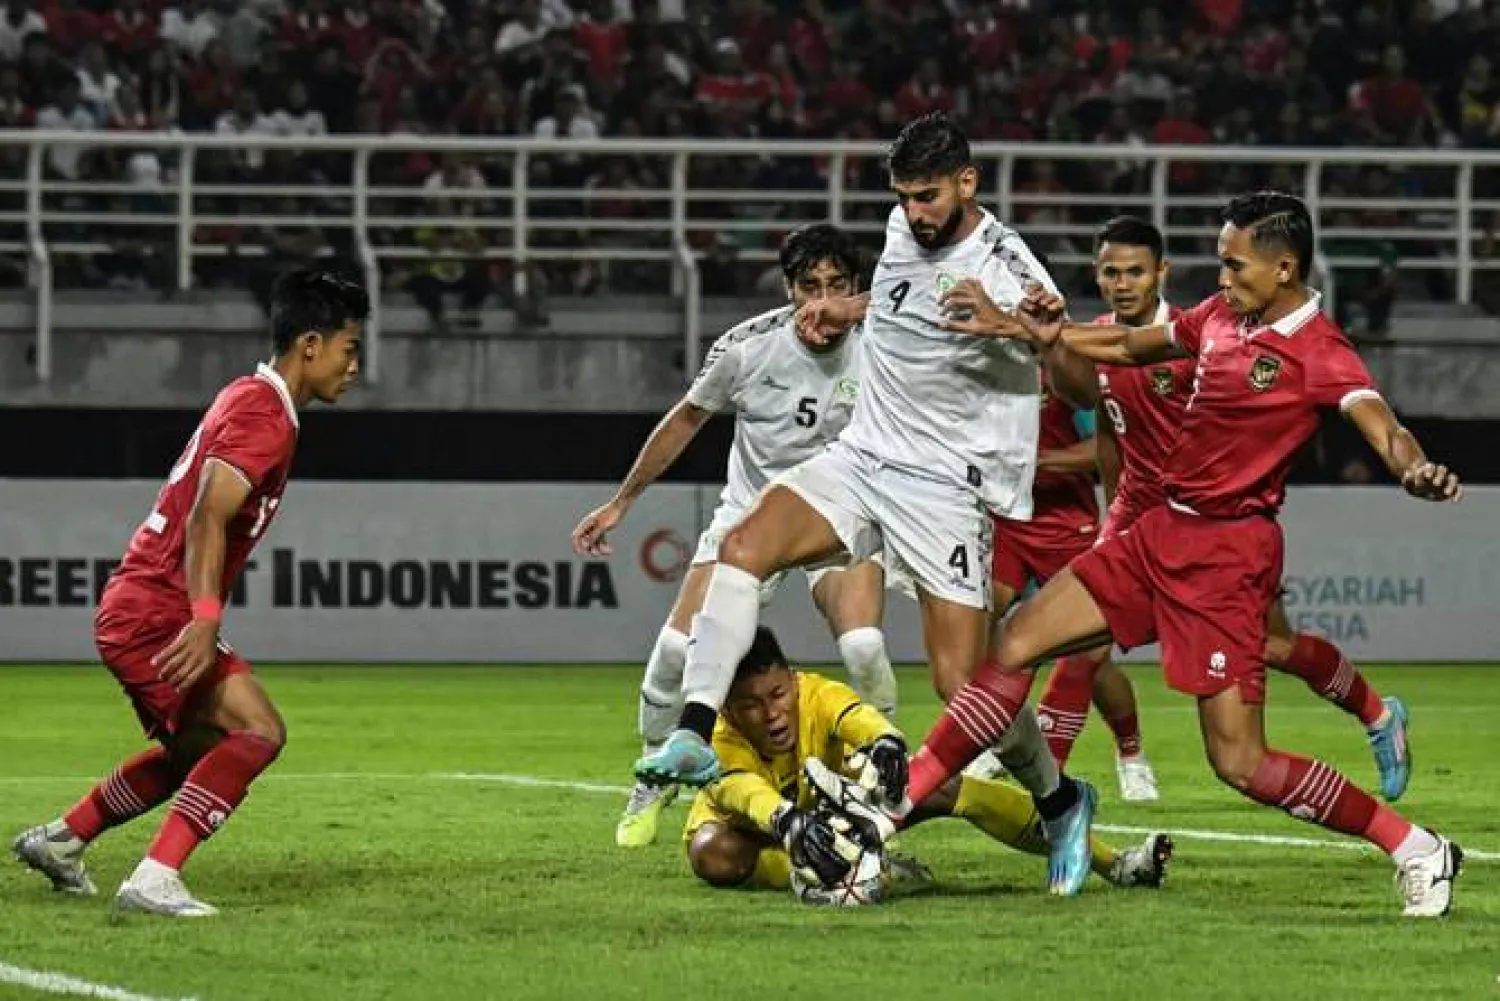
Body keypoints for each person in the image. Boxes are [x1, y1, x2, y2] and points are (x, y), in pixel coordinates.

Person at [821, 192, 1462, 918]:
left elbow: (1382, 422)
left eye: (1234, 264)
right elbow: (1130, 347)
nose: (1220, 277)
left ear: (1285, 267)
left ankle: (1416, 846)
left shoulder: (1321, 350)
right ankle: (892, 808)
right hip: (1159, 531)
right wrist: (1024, 329)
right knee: (1017, 641)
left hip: (1227, 557)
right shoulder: (1223, 317)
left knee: (1239, 762)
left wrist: (1413, 468)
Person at [634, 112, 1098, 898]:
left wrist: (1026, 331)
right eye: (904, 196)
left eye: (927, 196)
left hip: (945, 486)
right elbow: (898, 303)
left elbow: (1083, 388)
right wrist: (848, 310)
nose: (914, 212)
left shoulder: (1009, 264)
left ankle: (1060, 799)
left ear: (966, 183)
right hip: (863, 455)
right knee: (743, 547)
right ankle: (691, 732)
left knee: (963, 684)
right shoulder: (897, 230)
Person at [11, 270, 369, 918]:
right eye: (349, 348)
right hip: (157, 609)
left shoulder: (250, 396)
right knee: (259, 730)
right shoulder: (266, 415)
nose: (355, 365)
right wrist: (204, 618)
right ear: (310, 345)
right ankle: (155, 875)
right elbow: (207, 514)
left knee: (198, 753)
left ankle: (63, 839)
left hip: (140, 603)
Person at [1040, 216, 1412, 802]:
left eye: (1135, 271)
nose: (1122, 283)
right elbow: (1113, 429)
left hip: (1216, 526)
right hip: (1142, 515)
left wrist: (1409, 465)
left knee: (1273, 647)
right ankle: (1054, 797)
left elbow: (1350, 412)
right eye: (1110, 272)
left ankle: (1377, 714)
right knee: (1077, 646)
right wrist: (1043, 334)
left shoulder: (1212, 333)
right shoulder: (1108, 337)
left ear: (1160, 273)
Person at [572, 223, 899, 849]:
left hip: (843, 515)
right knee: (671, 656)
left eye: (838, 286)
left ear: (858, 290)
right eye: (809, 287)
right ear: (788, 288)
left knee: (862, 648)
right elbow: (685, 420)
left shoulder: (884, 344)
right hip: (750, 520)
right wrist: (622, 502)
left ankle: (883, 777)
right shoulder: (748, 348)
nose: (822, 301)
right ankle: (653, 775)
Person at [685, 627, 1172, 897]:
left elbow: (858, 717)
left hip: (837, 806)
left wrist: (886, 743)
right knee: (712, 852)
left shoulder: (815, 692)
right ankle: (835, 867)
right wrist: (788, 821)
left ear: (791, 679)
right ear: (728, 708)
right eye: (751, 705)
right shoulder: (719, 739)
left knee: (944, 786)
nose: (771, 714)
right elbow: (743, 792)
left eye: (777, 694)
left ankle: (1117, 863)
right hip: (763, 828)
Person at [985, 366, 1159, 801]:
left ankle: (1131, 754)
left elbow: (1103, 448)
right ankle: (995, 734)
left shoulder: (1063, 379)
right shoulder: (984, 375)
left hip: (1067, 525)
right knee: (978, 627)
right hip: (1008, 523)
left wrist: (1039, 463)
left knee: (1090, 657)